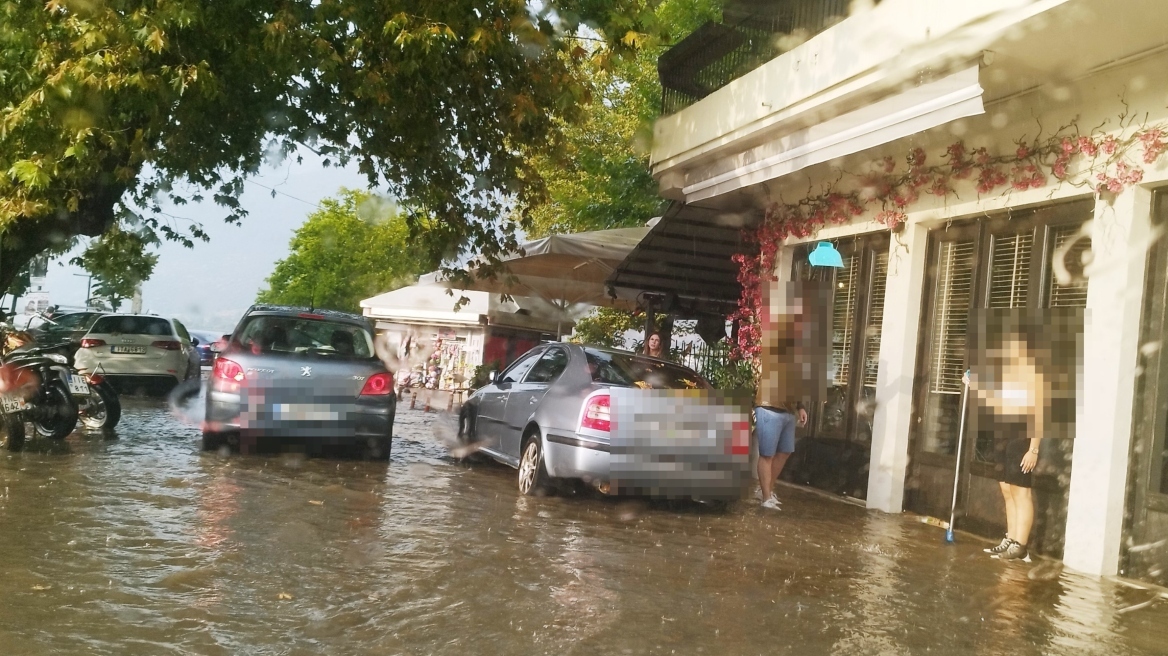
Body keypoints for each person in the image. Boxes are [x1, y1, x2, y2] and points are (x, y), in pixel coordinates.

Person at [968, 330, 1046, 562]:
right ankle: (1010, 539)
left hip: (1021, 437)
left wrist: (1033, 448)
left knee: (1021, 492)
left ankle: (1021, 545)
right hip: (1002, 435)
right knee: (1007, 490)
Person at [754, 309, 809, 510]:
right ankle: (766, 497)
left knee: (785, 451)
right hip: (769, 405)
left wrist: (800, 406)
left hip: (787, 409)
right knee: (767, 454)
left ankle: (766, 489)